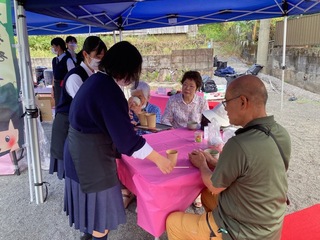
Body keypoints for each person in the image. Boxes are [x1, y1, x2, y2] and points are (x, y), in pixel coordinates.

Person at [64, 41, 173, 240]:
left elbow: (108, 121)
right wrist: (159, 159)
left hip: (78, 151)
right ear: (125, 70)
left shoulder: (97, 80)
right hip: (90, 159)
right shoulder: (108, 90)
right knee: (100, 222)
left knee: (91, 215)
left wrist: (126, 111)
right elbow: (127, 142)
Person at [166, 75, 291, 240]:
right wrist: (213, 161)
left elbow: (214, 185)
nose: (224, 108)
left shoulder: (239, 143)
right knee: (206, 196)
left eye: (226, 102)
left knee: (173, 222)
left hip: (242, 231)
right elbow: (250, 172)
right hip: (270, 224)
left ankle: (215, 233)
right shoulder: (281, 133)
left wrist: (203, 164)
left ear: (242, 102)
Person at [51, 37, 76, 107]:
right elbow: (54, 74)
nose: (53, 49)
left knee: (65, 105)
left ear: (58, 47)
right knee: (58, 105)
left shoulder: (68, 60)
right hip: (56, 86)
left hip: (64, 86)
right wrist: (52, 88)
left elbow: (72, 75)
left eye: (53, 46)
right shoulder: (55, 60)